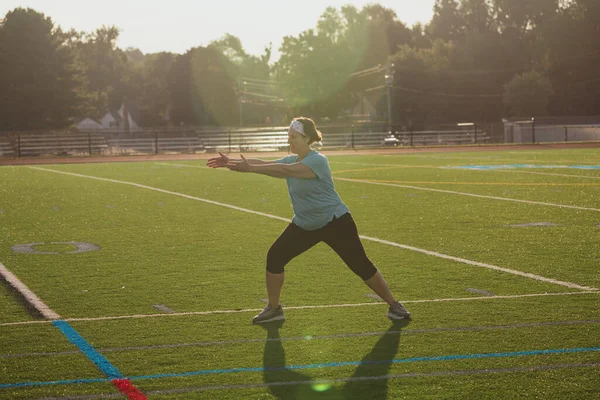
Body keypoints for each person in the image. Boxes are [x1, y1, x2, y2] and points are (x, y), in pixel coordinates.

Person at [207, 117, 410, 324]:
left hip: (335, 222)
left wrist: (249, 168)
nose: (290, 141)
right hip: (305, 224)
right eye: (289, 137)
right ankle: (274, 309)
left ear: (307, 138)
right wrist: (231, 162)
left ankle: (394, 305)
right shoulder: (291, 159)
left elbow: (284, 171)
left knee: (360, 265)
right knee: (275, 257)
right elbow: (269, 164)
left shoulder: (317, 160)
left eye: (294, 137)